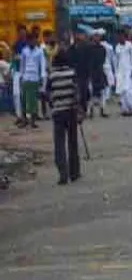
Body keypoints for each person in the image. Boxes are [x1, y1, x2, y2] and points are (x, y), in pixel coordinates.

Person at [48, 49, 81, 185]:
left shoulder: (52, 76)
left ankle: (63, 173)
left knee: (59, 144)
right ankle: (74, 172)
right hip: (71, 111)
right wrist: (79, 109)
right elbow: (77, 92)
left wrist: (53, 104)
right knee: (72, 142)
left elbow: (47, 94)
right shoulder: (72, 74)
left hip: (58, 112)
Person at [19, 31, 46, 128]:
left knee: (34, 100)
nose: (32, 42)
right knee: (24, 99)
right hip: (26, 77)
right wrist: (21, 77)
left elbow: (42, 65)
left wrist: (42, 77)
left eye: (34, 40)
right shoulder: (24, 51)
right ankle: (24, 120)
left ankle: (33, 121)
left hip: (35, 78)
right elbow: (22, 65)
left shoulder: (39, 51)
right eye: (31, 40)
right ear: (28, 41)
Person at [113, 28, 132, 117]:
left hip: (128, 70)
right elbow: (115, 61)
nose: (120, 38)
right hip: (120, 71)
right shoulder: (117, 47)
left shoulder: (129, 45)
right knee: (122, 91)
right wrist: (116, 73)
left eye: (121, 36)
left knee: (129, 90)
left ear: (124, 36)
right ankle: (125, 110)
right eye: (118, 36)